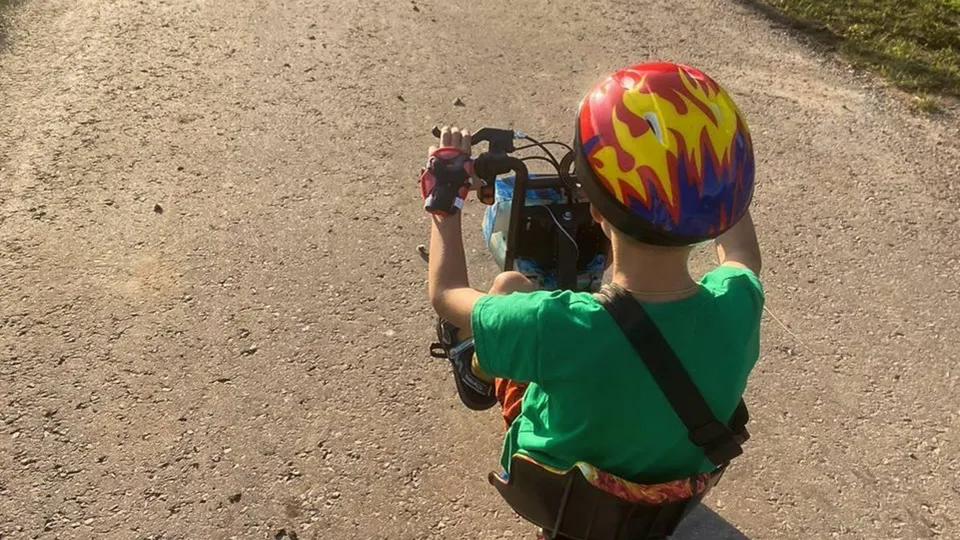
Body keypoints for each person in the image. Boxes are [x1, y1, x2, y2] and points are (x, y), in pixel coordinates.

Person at [421, 61, 763, 485]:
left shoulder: (550, 324)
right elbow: (742, 252)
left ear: (594, 209)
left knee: (508, 287)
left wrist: (445, 191)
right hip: (671, 489)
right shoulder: (739, 301)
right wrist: (710, 168)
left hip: (556, 485)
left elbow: (446, 291)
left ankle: (477, 372)